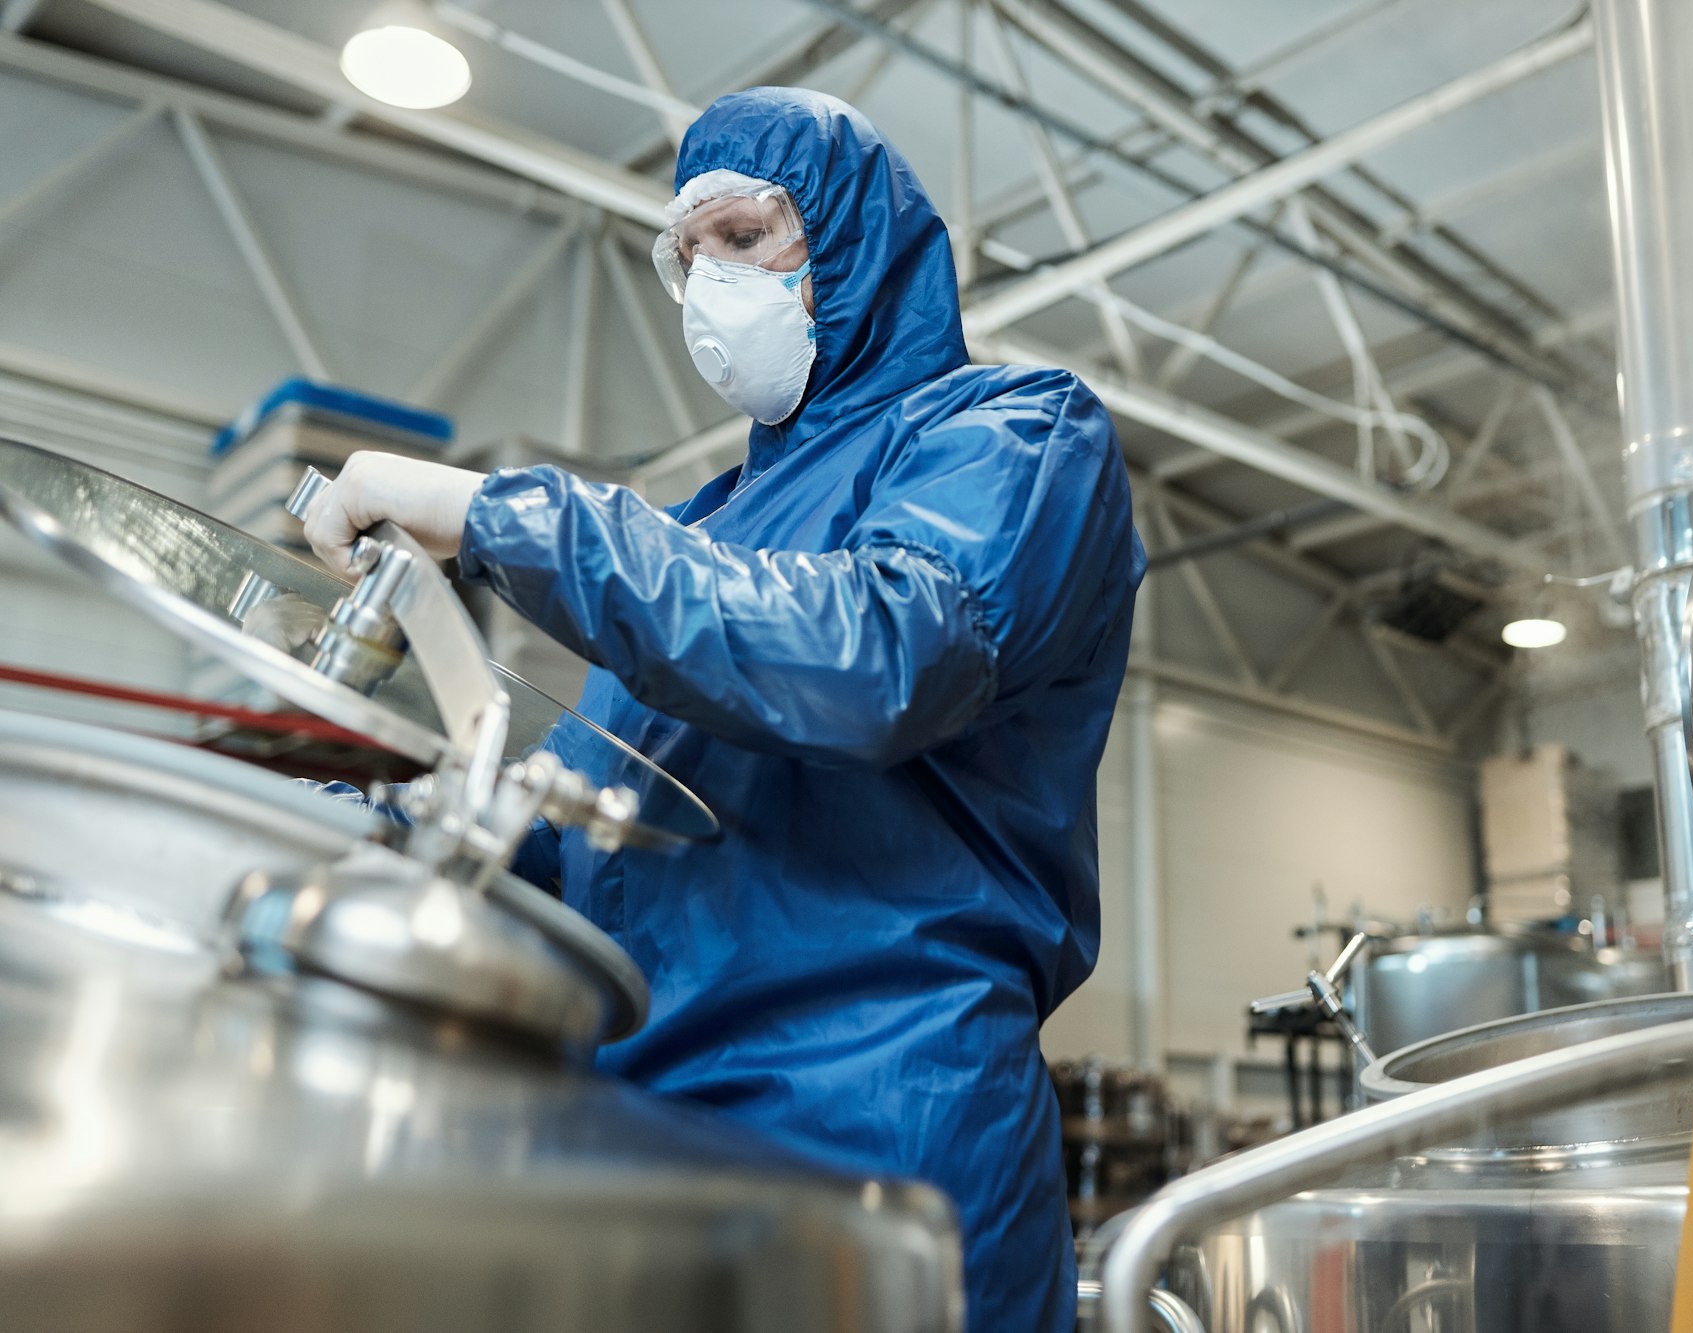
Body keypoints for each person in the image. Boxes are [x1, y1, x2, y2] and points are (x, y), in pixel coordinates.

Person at [301, 87, 1144, 1332]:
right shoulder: (702, 531)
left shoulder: (1012, 435)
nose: (707, 287)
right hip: (641, 1136)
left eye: (742, 238)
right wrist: (370, 825)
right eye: (683, 257)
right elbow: (600, 829)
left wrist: (497, 515)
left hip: (875, 1129)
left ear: (858, 245)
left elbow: (877, 657)